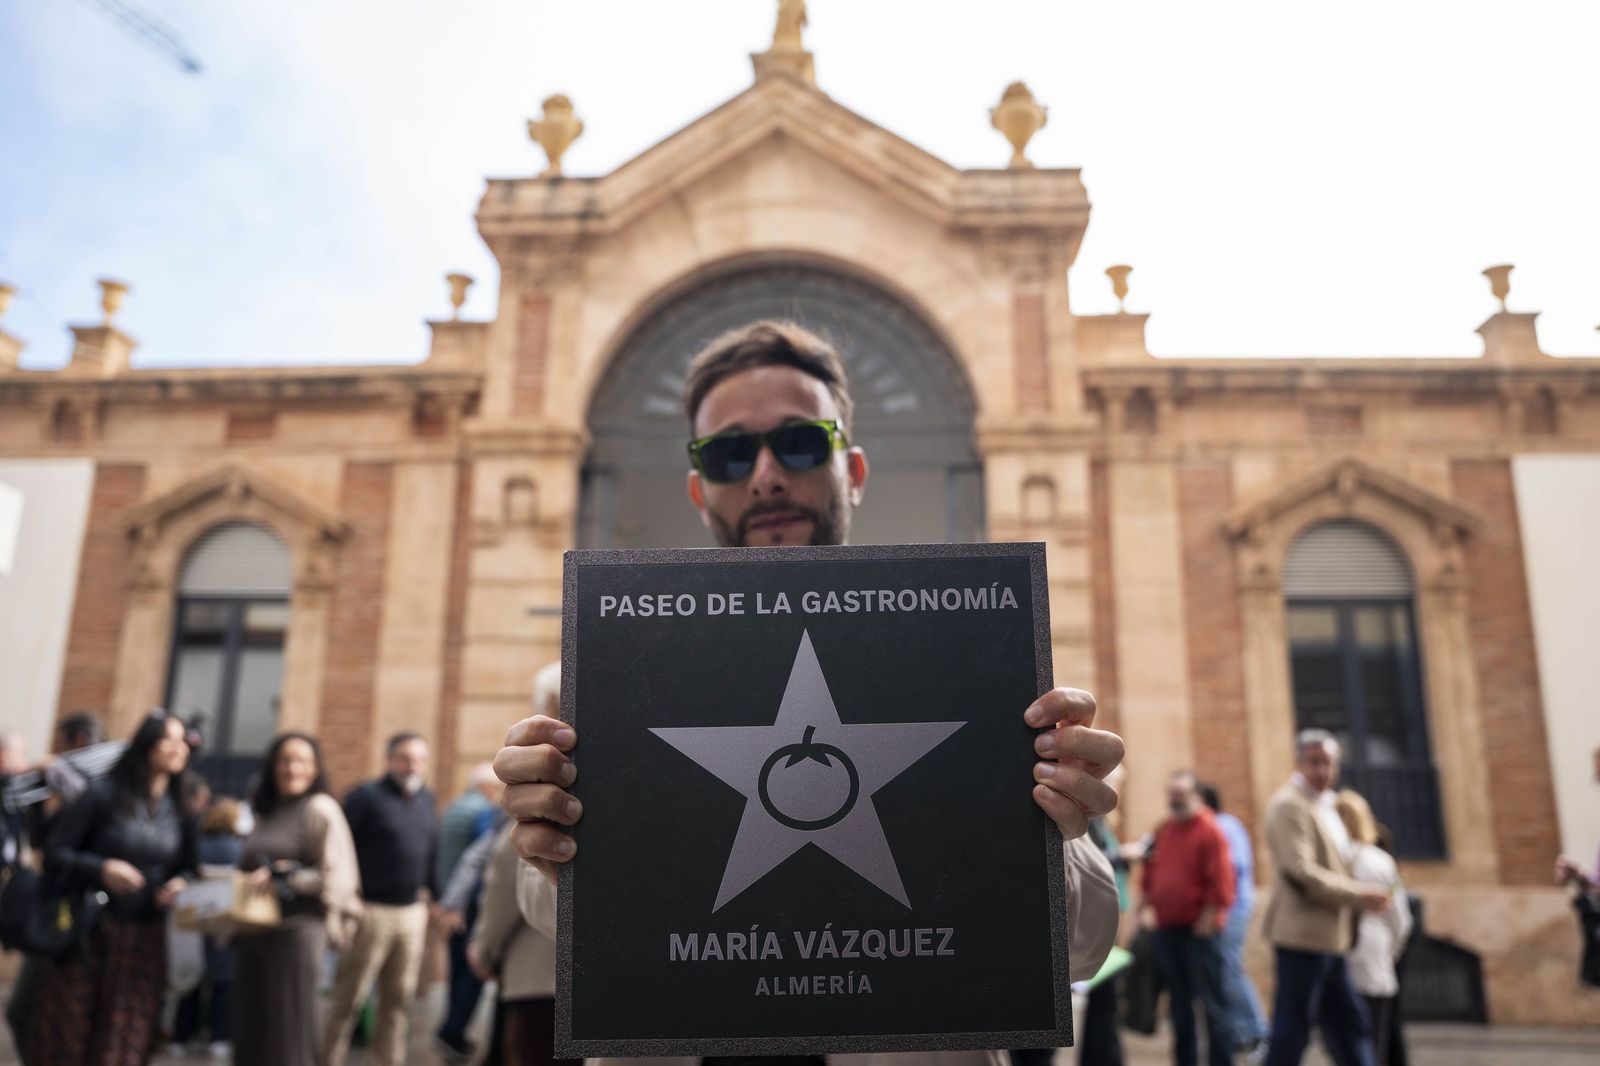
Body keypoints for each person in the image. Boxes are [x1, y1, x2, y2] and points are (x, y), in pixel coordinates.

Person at [494, 321, 1127, 1063]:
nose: (765, 476)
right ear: (699, 489)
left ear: (851, 470)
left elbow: (1083, 946)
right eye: (730, 453)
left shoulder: (970, 657)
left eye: (798, 443)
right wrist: (548, 843)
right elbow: (553, 915)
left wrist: (1058, 828)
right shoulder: (610, 674)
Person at [28, 710, 199, 1066]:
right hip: (90, 930)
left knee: (124, 1039)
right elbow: (55, 854)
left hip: (144, 936)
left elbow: (188, 867)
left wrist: (178, 883)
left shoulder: (181, 808)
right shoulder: (103, 793)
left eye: (182, 740)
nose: (178, 747)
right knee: (69, 1035)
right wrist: (102, 868)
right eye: (168, 739)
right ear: (147, 744)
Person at [1261, 730, 1391, 1066]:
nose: (1322, 770)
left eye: (1328, 762)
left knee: (1350, 1025)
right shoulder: (1289, 804)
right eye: (1314, 762)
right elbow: (1301, 871)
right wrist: (1358, 895)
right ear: (1299, 763)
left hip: (1332, 937)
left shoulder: (1327, 804)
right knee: (1293, 1030)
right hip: (1303, 936)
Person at [233, 732, 362, 1066]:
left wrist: (285, 877)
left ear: (315, 768)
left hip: (298, 931)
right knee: (251, 1030)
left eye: (302, 761)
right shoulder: (266, 810)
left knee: (291, 1033)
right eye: (285, 760)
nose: (293, 768)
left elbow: (338, 878)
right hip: (253, 931)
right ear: (272, 766)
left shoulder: (320, 808)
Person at [322, 732, 440, 1066]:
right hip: (370, 911)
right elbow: (340, 850)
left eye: (419, 759)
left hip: (411, 913)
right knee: (349, 999)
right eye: (405, 758)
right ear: (390, 760)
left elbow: (430, 853)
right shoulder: (366, 797)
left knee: (399, 1001)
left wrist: (437, 898)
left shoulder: (426, 800)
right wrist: (348, 897)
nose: (412, 766)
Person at [1139, 771, 1236, 1066]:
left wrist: (1209, 916)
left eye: (1181, 794)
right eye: (1172, 794)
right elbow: (1150, 871)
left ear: (1196, 795)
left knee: (1213, 1006)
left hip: (1200, 932)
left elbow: (1222, 880)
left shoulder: (1209, 829)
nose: (1175, 799)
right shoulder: (1165, 829)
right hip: (1168, 931)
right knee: (1179, 1007)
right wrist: (1146, 906)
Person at [468, 823, 575, 1066]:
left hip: (537, 981)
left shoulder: (529, 824)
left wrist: (483, 952)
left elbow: (501, 901)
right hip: (584, 986)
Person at [433, 762, 506, 1061]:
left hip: (453, 901)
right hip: (471, 904)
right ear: (487, 787)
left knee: (458, 971)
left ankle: (452, 1031)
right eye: (499, 787)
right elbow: (474, 862)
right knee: (473, 972)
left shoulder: (454, 807)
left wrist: (446, 901)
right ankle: (452, 1033)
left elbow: (442, 857)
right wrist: (457, 904)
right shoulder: (484, 814)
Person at [1335, 790, 1412, 1066]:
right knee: (1374, 1040)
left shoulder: (1332, 861)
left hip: (1340, 959)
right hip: (1375, 958)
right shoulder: (1381, 861)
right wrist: (1390, 954)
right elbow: (1401, 919)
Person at [171, 796, 247, 1059]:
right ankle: (219, 1037)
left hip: (194, 920)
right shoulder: (239, 849)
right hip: (224, 921)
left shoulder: (197, 846)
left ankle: (180, 1037)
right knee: (222, 984)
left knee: (190, 982)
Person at [1198, 782, 1270, 1060]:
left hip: (1233, 908)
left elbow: (1232, 866)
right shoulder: (1220, 825)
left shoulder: (1224, 826)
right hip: (1227, 908)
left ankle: (1258, 1032)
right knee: (1224, 971)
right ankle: (1240, 1033)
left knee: (1230, 970)